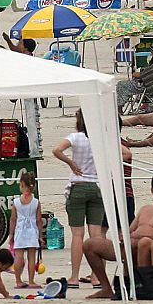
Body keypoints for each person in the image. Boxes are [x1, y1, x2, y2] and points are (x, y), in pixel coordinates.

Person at [83, 174, 153, 299]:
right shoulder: (145, 209)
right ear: (152, 190)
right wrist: (124, 236)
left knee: (140, 242)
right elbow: (129, 231)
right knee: (89, 245)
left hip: (146, 248)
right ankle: (106, 288)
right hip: (127, 246)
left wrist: (137, 236)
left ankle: (130, 285)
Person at [52, 110, 103, 289]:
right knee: (96, 234)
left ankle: (74, 276)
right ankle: (97, 276)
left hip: (78, 185)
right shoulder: (100, 138)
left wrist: (70, 163)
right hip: (96, 186)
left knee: (77, 234)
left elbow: (56, 150)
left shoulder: (75, 137)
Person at [7, 171, 42, 289]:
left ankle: (18, 280)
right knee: (32, 257)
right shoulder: (36, 202)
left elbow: (13, 219)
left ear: (22, 184)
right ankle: (31, 281)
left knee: (18, 256)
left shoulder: (16, 202)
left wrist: (11, 234)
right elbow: (38, 220)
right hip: (32, 230)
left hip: (20, 230)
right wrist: (40, 235)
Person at [117, 45, 153, 110]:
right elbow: (149, 73)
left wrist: (135, 74)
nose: (151, 53)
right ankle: (121, 105)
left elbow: (143, 75)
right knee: (124, 84)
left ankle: (120, 107)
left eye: (152, 51)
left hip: (147, 86)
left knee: (121, 85)